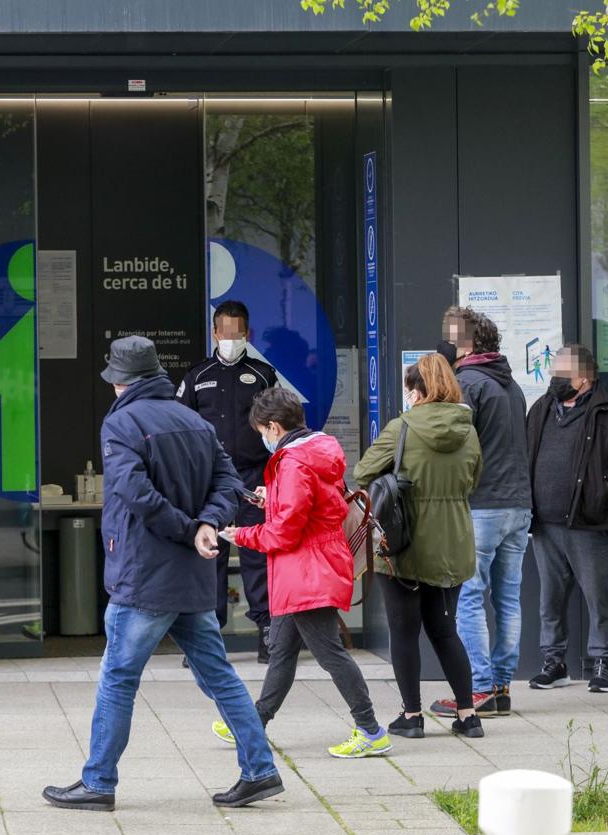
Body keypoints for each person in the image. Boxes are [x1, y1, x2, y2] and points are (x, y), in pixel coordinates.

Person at [43, 336, 282, 812]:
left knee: (118, 677)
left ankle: (98, 782)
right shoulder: (193, 419)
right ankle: (260, 771)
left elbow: (134, 492)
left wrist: (190, 528)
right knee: (221, 677)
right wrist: (207, 525)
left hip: (145, 576)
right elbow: (228, 481)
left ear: (121, 382)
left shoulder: (121, 422)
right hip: (191, 578)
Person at [212, 388, 389, 758]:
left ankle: (371, 729)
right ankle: (252, 723)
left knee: (330, 654)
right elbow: (315, 506)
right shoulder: (316, 451)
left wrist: (241, 534)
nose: (262, 437)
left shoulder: (293, 464)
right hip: (310, 566)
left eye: (262, 430)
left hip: (307, 571)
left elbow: (285, 531)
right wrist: (270, 497)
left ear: (274, 427)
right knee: (282, 651)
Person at [354, 354, 485, 739]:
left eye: (410, 389)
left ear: (417, 391)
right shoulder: (469, 429)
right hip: (454, 542)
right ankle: (467, 715)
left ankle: (412, 717)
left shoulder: (403, 427)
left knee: (404, 632)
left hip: (404, 544)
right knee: (445, 630)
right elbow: (473, 481)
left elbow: (363, 471)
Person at [432, 307, 531, 718]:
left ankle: (478, 689)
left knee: (470, 597)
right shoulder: (512, 386)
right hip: (519, 505)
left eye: (449, 337)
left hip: (483, 506)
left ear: (465, 343)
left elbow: (450, 442)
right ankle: (502, 687)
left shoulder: (467, 384)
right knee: (508, 598)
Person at [525, 344, 608, 693]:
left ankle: (603, 662)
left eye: (562, 374)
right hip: (546, 523)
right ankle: (554, 662)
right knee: (550, 598)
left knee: (599, 597)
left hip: (591, 521)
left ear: (583, 379)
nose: (554, 379)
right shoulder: (542, 407)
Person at [178, 301, 278, 661]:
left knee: (257, 556)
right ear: (215, 333)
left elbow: (278, 426)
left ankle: (268, 633)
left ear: (247, 335)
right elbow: (182, 429)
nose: (231, 339)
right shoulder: (196, 375)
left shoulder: (264, 374)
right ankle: (206, 638)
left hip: (253, 478)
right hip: (210, 482)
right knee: (210, 558)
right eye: (226, 333)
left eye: (238, 334)